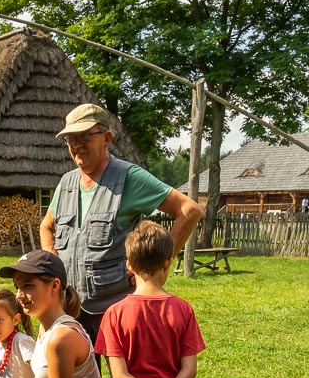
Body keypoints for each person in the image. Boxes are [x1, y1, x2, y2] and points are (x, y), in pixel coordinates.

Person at [36, 103, 204, 347]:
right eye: (71, 139)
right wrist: (52, 264)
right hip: (70, 309)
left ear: (106, 138)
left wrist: (155, 267)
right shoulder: (67, 183)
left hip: (117, 308)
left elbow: (189, 211)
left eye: (84, 136)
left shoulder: (129, 178)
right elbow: (46, 227)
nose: (77, 144)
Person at [96, 221, 206, 378]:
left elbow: (121, 376)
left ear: (128, 266)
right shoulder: (183, 310)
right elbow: (189, 369)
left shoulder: (114, 314)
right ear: (167, 263)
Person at [0, 250, 104, 378]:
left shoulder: (61, 338)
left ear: (55, 286)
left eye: (28, 286)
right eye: (17, 287)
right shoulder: (46, 328)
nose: (19, 295)